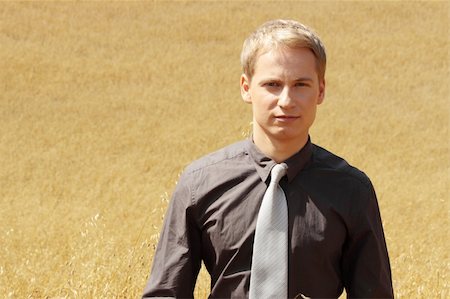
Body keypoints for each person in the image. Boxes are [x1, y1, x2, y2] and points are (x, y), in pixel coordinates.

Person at [142, 19, 393, 298]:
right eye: (272, 84)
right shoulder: (199, 184)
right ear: (246, 88)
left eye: (301, 84)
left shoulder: (352, 190)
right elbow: (165, 293)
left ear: (320, 90)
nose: (286, 100)